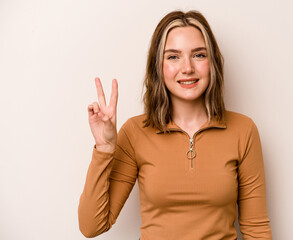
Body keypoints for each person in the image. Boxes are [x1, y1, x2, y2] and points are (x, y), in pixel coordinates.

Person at [78, 10, 272, 240]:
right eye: (173, 57)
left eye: (199, 55)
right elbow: (92, 226)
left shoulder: (243, 130)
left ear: (213, 63)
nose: (187, 67)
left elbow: (256, 230)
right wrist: (104, 148)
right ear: (158, 67)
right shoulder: (135, 132)